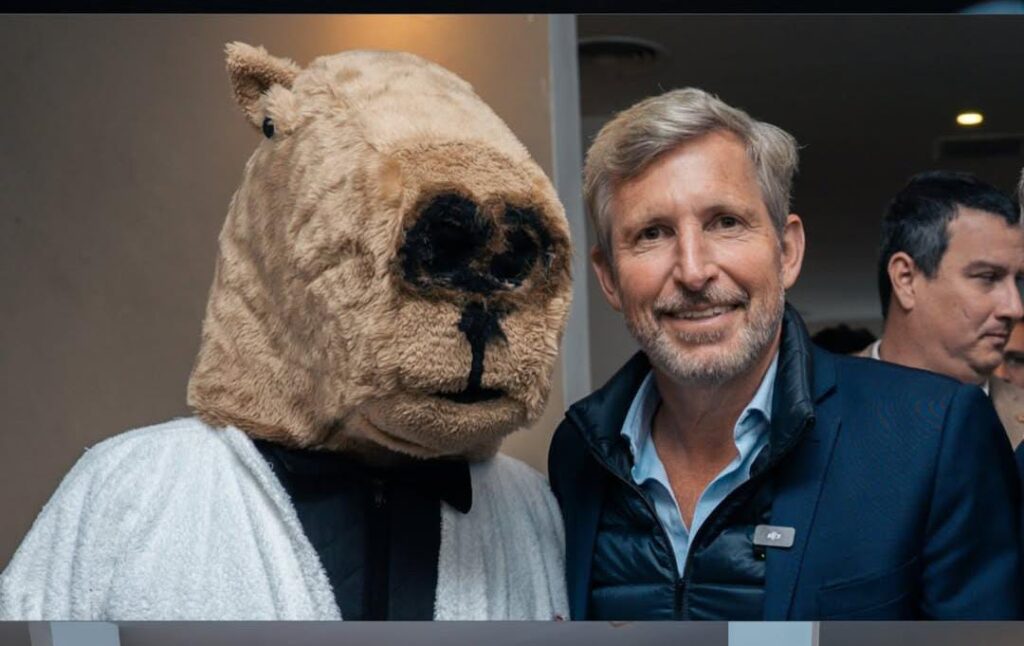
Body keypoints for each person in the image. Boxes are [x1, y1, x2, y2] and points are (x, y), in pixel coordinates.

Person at [548, 88, 1023, 620]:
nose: (694, 271)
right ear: (609, 278)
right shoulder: (579, 454)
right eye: (652, 233)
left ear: (788, 251)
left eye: (726, 222)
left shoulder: (933, 436)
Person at [857, 171, 1024, 447]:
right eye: (988, 277)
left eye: (1017, 280)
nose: (1015, 308)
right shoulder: (810, 407)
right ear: (906, 279)